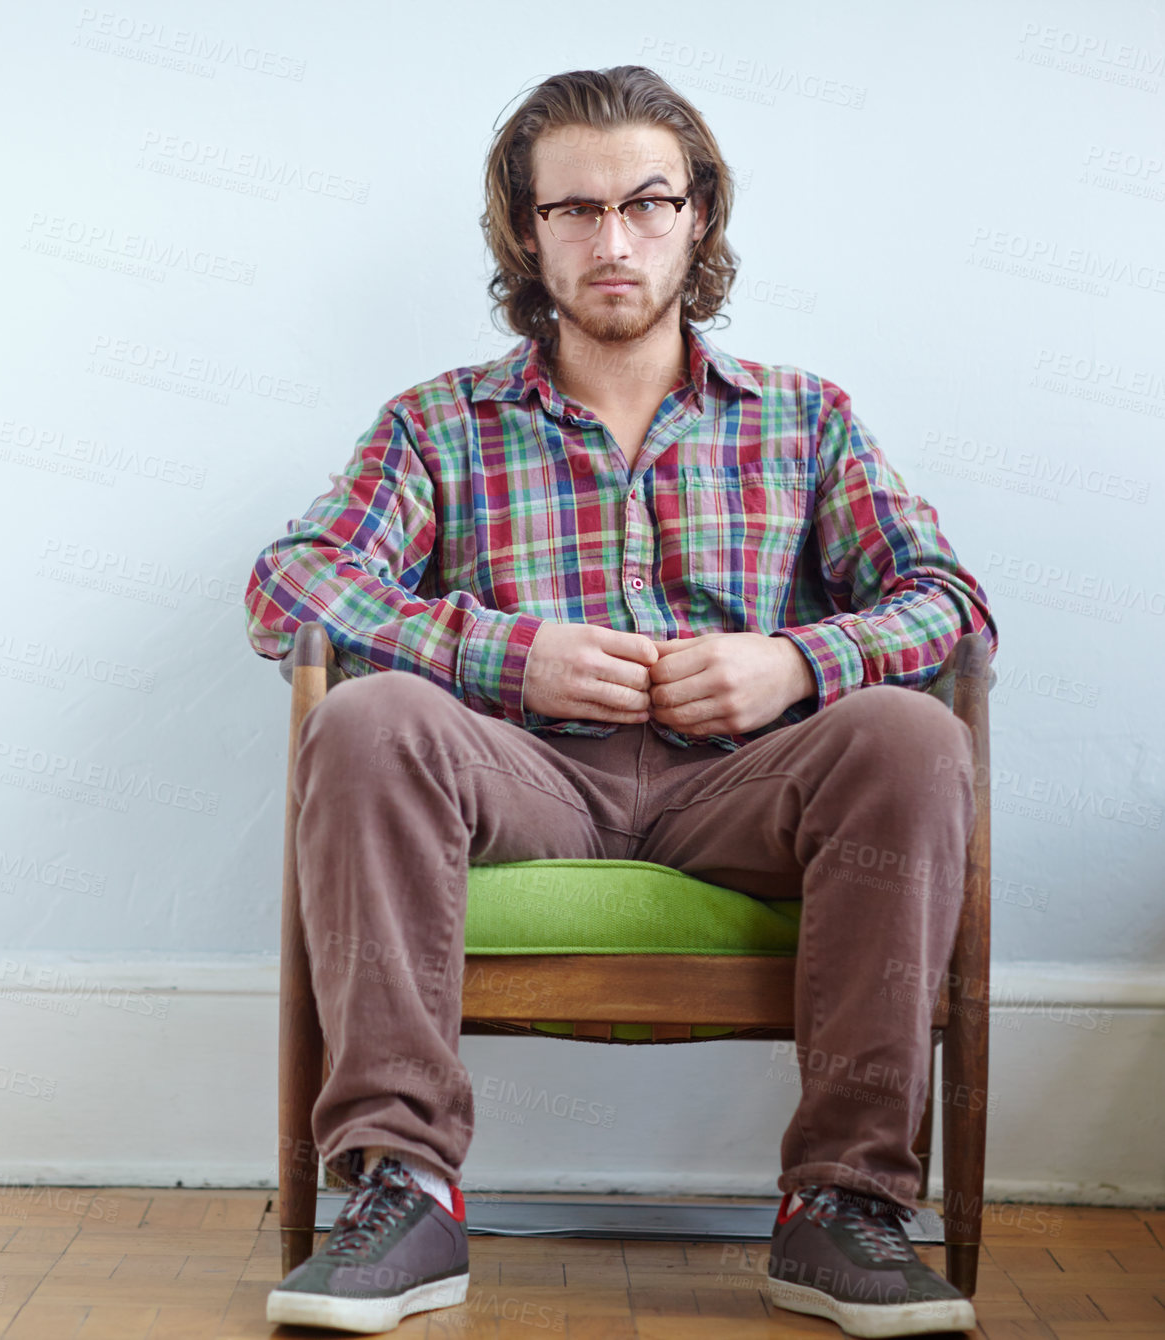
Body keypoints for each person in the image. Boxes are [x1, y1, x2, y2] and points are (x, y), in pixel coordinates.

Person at [244, 64, 997, 1338]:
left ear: (697, 215)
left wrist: (795, 663)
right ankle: (405, 1189)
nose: (613, 239)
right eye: (575, 211)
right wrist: (500, 652)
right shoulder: (442, 424)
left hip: (744, 789)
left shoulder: (805, 419)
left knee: (913, 731)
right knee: (361, 718)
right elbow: (289, 587)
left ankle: (843, 1208)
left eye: (646, 203)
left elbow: (954, 603)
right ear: (525, 234)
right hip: (526, 783)